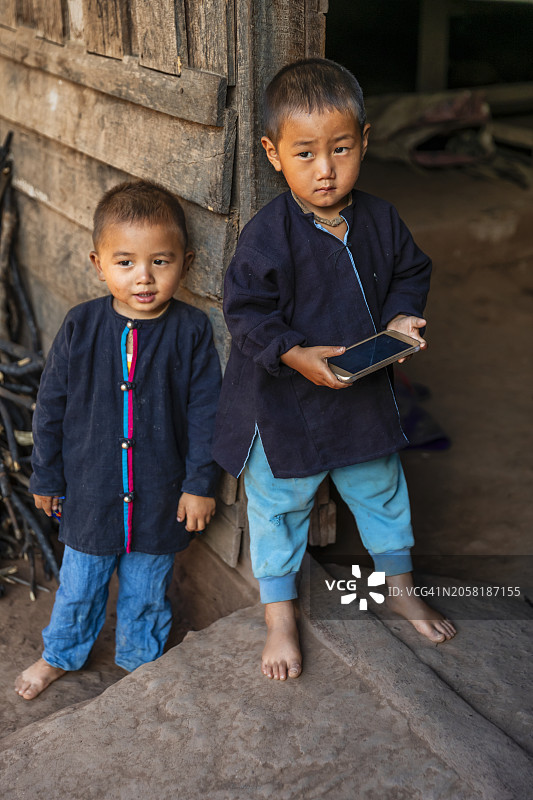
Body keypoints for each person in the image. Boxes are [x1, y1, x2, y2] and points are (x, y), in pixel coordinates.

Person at [213, 58, 456, 682]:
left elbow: (411, 272)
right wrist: (294, 353)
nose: (325, 169)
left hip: (358, 393)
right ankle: (279, 615)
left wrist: (402, 319)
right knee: (280, 507)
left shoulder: (380, 219)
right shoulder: (267, 238)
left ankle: (398, 587)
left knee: (379, 489)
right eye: (305, 153)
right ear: (272, 153)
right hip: (284, 404)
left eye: (341, 149)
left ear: (365, 141)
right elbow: (246, 314)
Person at [15, 180, 221, 700]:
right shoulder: (81, 326)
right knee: (79, 587)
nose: (144, 277)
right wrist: (47, 475)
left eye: (161, 261)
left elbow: (206, 414)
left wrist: (200, 484)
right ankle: (59, 655)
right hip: (90, 492)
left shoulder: (191, 331)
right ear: (98, 263)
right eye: (125, 262)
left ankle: (139, 661)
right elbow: (51, 408)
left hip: (158, 495)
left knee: (148, 590)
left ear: (186, 262)